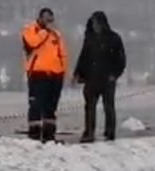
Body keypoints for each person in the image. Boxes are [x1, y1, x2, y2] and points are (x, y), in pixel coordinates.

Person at [73, 11, 125, 143]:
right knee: (89, 106)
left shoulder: (114, 38)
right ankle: (89, 132)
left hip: (107, 78)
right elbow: (83, 57)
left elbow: (121, 60)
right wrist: (78, 73)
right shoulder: (90, 39)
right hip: (91, 78)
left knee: (108, 107)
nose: (95, 26)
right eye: (93, 23)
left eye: (97, 23)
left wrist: (115, 74)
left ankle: (110, 132)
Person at [21, 8, 68, 142]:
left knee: (51, 106)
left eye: (50, 19)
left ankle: (49, 134)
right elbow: (32, 42)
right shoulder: (30, 30)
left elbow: (63, 54)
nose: (49, 21)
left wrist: (63, 70)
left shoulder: (56, 35)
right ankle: (34, 135)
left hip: (55, 75)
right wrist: (44, 32)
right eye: (46, 18)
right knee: (36, 105)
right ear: (40, 18)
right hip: (38, 74)